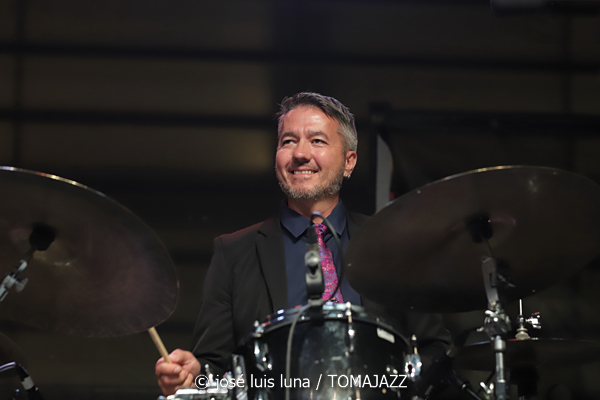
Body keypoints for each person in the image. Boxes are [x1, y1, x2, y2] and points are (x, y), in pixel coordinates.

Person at [155, 92, 449, 396]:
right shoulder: (233, 252)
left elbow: (435, 349)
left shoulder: (392, 243)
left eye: (317, 141)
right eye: (288, 141)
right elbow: (212, 367)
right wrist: (192, 376)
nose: (299, 153)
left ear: (349, 162)